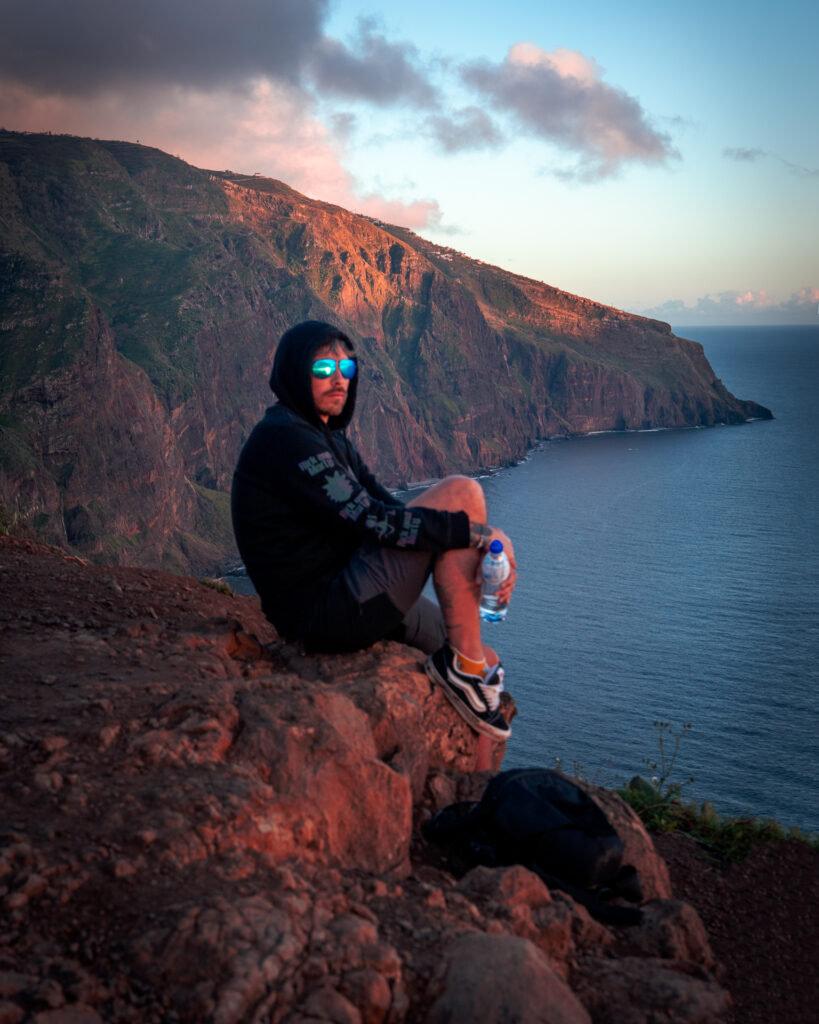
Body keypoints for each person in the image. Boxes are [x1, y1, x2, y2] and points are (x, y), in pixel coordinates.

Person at [231, 321, 517, 740]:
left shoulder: (329, 438)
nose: (339, 380)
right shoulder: (285, 439)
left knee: (484, 658)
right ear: (294, 371)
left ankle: (470, 686)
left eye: (346, 369)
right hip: (326, 612)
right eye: (323, 368)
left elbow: (391, 510)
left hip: (350, 592)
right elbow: (373, 519)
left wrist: (484, 540)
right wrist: (484, 536)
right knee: (463, 492)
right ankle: (466, 674)